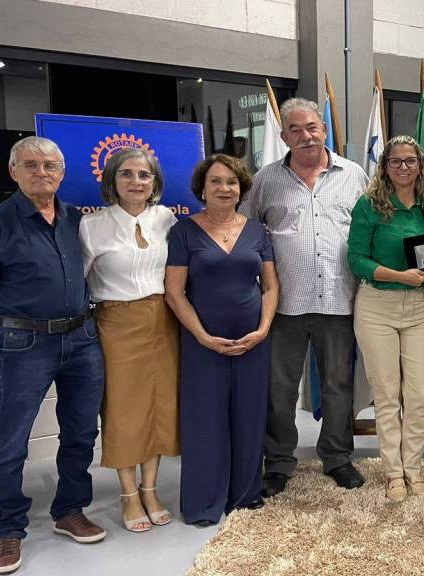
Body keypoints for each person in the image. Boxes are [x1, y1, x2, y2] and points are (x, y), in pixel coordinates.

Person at [0, 136, 106, 575]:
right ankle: (8, 529)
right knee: (11, 441)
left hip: (81, 338)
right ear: (13, 171)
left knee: (81, 432)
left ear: (61, 172)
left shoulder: (76, 220)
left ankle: (70, 510)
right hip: (21, 347)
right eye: (31, 165)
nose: (42, 172)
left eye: (50, 165)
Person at [243, 98, 370, 496]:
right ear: (283, 136)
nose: (305, 135)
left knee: (337, 385)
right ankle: (279, 461)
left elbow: (372, 227)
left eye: (312, 127)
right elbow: (245, 230)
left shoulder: (354, 175)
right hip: (284, 304)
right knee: (279, 389)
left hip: (339, 299)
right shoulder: (266, 180)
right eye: (295, 129)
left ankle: (337, 456)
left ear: (324, 129)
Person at [165, 154, 279, 526]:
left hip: (253, 340)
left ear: (241, 189)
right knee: (205, 418)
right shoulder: (184, 231)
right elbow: (175, 292)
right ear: (202, 188)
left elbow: (270, 286)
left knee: (249, 414)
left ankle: (245, 495)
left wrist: (263, 329)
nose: (224, 188)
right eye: (215, 181)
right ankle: (203, 503)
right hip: (202, 342)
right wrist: (201, 336)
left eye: (231, 182)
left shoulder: (257, 231)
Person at [79, 148, 179, 532]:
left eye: (144, 174)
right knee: (123, 410)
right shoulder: (92, 226)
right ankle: (127, 494)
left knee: (159, 406)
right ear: (112, 180)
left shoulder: (166, 218)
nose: (136, 181)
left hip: (164, 322)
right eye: (127, 173)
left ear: (154, 182)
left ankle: (150, 489)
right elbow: (77, 282)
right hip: (116, 323)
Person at [347, 136, 424, 502]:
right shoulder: (370, 205)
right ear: (384, 166)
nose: (403, 167)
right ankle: (394, 473)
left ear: (420, 165)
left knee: (418, 395)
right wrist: (400, 276)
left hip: (418, 308)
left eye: (410, 161)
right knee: (386, 394)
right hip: (376, 307)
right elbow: (356, 259)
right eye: (395, 161)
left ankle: (414, 469)